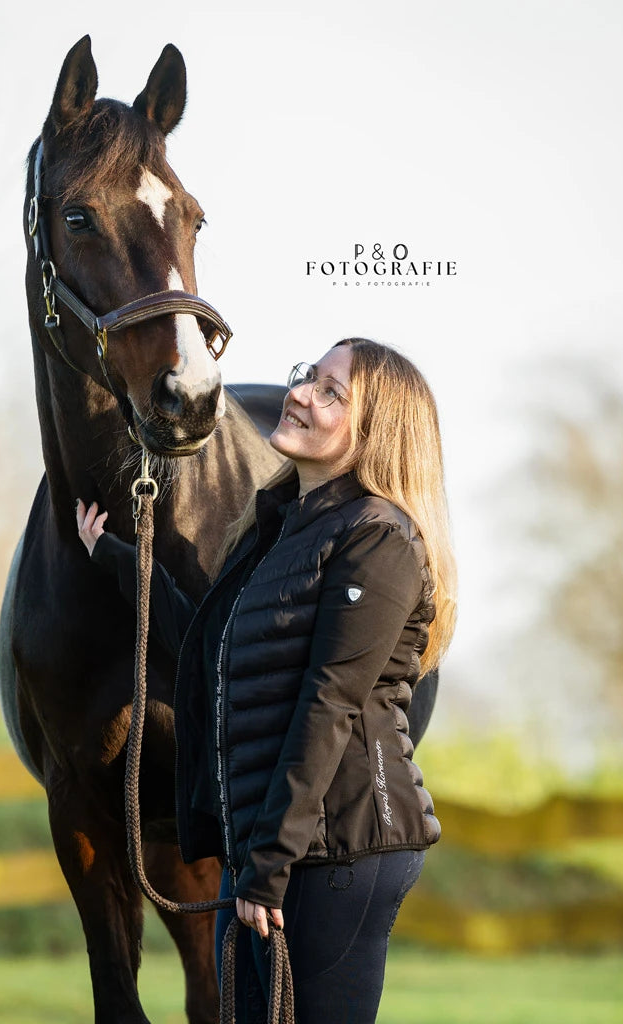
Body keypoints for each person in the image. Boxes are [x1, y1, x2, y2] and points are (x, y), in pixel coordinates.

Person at [75, 338, 456, 1023]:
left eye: (332, 391)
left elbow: (329, 705)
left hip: (340, 851)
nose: (302, 392)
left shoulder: (378, 539)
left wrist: (269, 865)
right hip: (270, 851)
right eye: (308, 376)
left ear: (377, 431)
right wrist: (113, 556)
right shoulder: (279, 530)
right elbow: (207, 649)